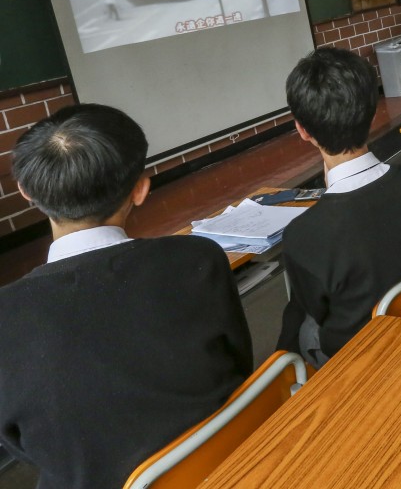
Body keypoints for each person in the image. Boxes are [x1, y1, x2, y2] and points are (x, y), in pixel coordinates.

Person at [1, 104, 253, 489]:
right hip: (228, 463)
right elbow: (238, 366)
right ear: (141, 189)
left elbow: (21, 443)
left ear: (26, 191)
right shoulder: (197, 259)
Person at [276, 47, 401, 366]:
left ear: (302, 130)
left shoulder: (304, 234)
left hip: (362, 358)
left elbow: (316, 310)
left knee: (299, 328)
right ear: (374, 112)